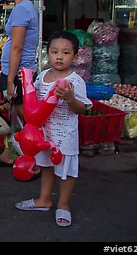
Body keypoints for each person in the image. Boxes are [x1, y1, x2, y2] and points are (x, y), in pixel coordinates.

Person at [14, 30, 92, 228]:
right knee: (47, 167)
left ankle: (63, 205)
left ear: (75, 56)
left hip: (64, 136)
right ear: (47, 53)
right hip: (44, 135)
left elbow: (81, 109)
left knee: (65, 172)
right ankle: (44, 200)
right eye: (54, 51)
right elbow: (34, 103)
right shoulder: (42, 76)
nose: (59, 56)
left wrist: (70, 98)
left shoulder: (75, 81)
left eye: (66, 53)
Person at [0, 0, 38, 168]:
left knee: (24, 116)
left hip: (18, 73)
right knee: (14, 115)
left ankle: (35, 156)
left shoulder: (22, 9)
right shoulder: (24, 7)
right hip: (16, 71)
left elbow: (16, 46)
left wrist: (10, 81)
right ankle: (9, 154)